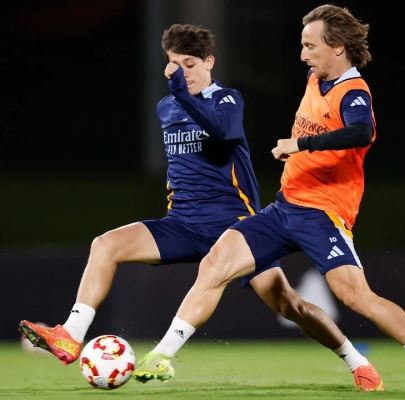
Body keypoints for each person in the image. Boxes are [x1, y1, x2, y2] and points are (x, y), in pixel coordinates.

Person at [19, 23, 384, 392]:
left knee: (290, 305)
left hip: (234, 227)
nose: (182, 72)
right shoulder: (166, 107)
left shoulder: (227, 100)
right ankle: (71, 334)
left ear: (209, 62)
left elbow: (224, 132)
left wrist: (185, 96)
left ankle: (357, 362)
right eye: (175, 64)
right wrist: (179, 99)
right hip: (182, 224)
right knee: (105, 244)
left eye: (190, 64)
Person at [137, 6, 405, 396]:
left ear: (338, 47)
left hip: (323, 213)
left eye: (310, 45)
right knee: (216, 262)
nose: (303, 54)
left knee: (355, 296)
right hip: (284, 207)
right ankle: (162, 356)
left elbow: (362, 131)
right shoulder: (315, 78)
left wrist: (301, 144)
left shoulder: (353, 91)